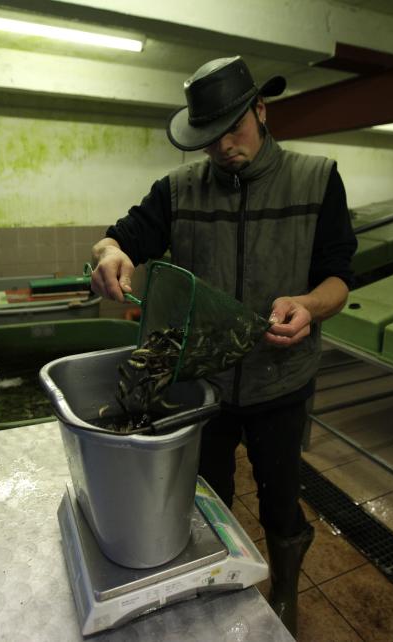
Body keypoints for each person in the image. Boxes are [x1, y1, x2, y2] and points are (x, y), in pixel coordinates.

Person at [91, 56, 356, 636]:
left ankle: (284, 586)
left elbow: (338, 277)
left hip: (280, 380)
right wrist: (109, 253)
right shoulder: (178, 189)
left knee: (280, 498)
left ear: (261, 111)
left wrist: (309, 307)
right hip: (202, 384)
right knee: (204, 496)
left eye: (233, 129)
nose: (223, 147)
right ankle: (217, 587)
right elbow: (125, 235)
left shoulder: (316, 179)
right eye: (209, 139)